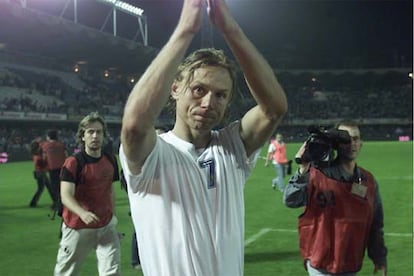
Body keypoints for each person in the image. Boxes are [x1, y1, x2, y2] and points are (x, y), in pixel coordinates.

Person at [119, 0, 288, 275]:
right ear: (174, 89)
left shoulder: (232, 148)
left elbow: (274, 109)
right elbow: (134, 126)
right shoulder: (154, 154)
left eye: (220, 95)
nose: (209, 102)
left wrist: (230, 29)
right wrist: (185, 30)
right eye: (198, 89)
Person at [283, 120, 387, 276]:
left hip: (350, 263)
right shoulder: (316, 174)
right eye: (345, 139)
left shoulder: (369, 182)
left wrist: (379, 257)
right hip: (320, 263)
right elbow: (290, 200)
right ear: (336, 143)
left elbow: (375, 224)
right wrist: (303, 169)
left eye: (356, 138)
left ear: (361, 144)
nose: (351, 143)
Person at [54, 112, 121, 276]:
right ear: (82, 136)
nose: (95, 136)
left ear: (104, 135)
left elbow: (110, 190)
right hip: (78, 227)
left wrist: (113, 218)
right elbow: (66, 195)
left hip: (106, 226)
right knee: (66, 272)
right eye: (90, 132)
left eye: (99, 132)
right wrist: (83, 213)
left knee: (111, 272)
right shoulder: (73, 162)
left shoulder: (111, 160)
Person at [41, 129, 67, 211]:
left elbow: (44, 157)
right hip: (62, 168)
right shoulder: (61, 145)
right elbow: (66, 155)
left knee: (54, 187)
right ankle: (64, 203)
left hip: (52, 168)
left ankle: (58, 204)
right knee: (62, 186)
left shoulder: (45, 145)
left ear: (48, 137)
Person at [29, 140, 53, 207]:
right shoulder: (38, 156)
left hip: (40, 173)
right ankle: (33, 203)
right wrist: (45, 158)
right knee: (43, 188)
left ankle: (55, 201)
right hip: (41, 173)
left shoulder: (36, 154)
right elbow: (43, 164)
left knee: (47, 187)